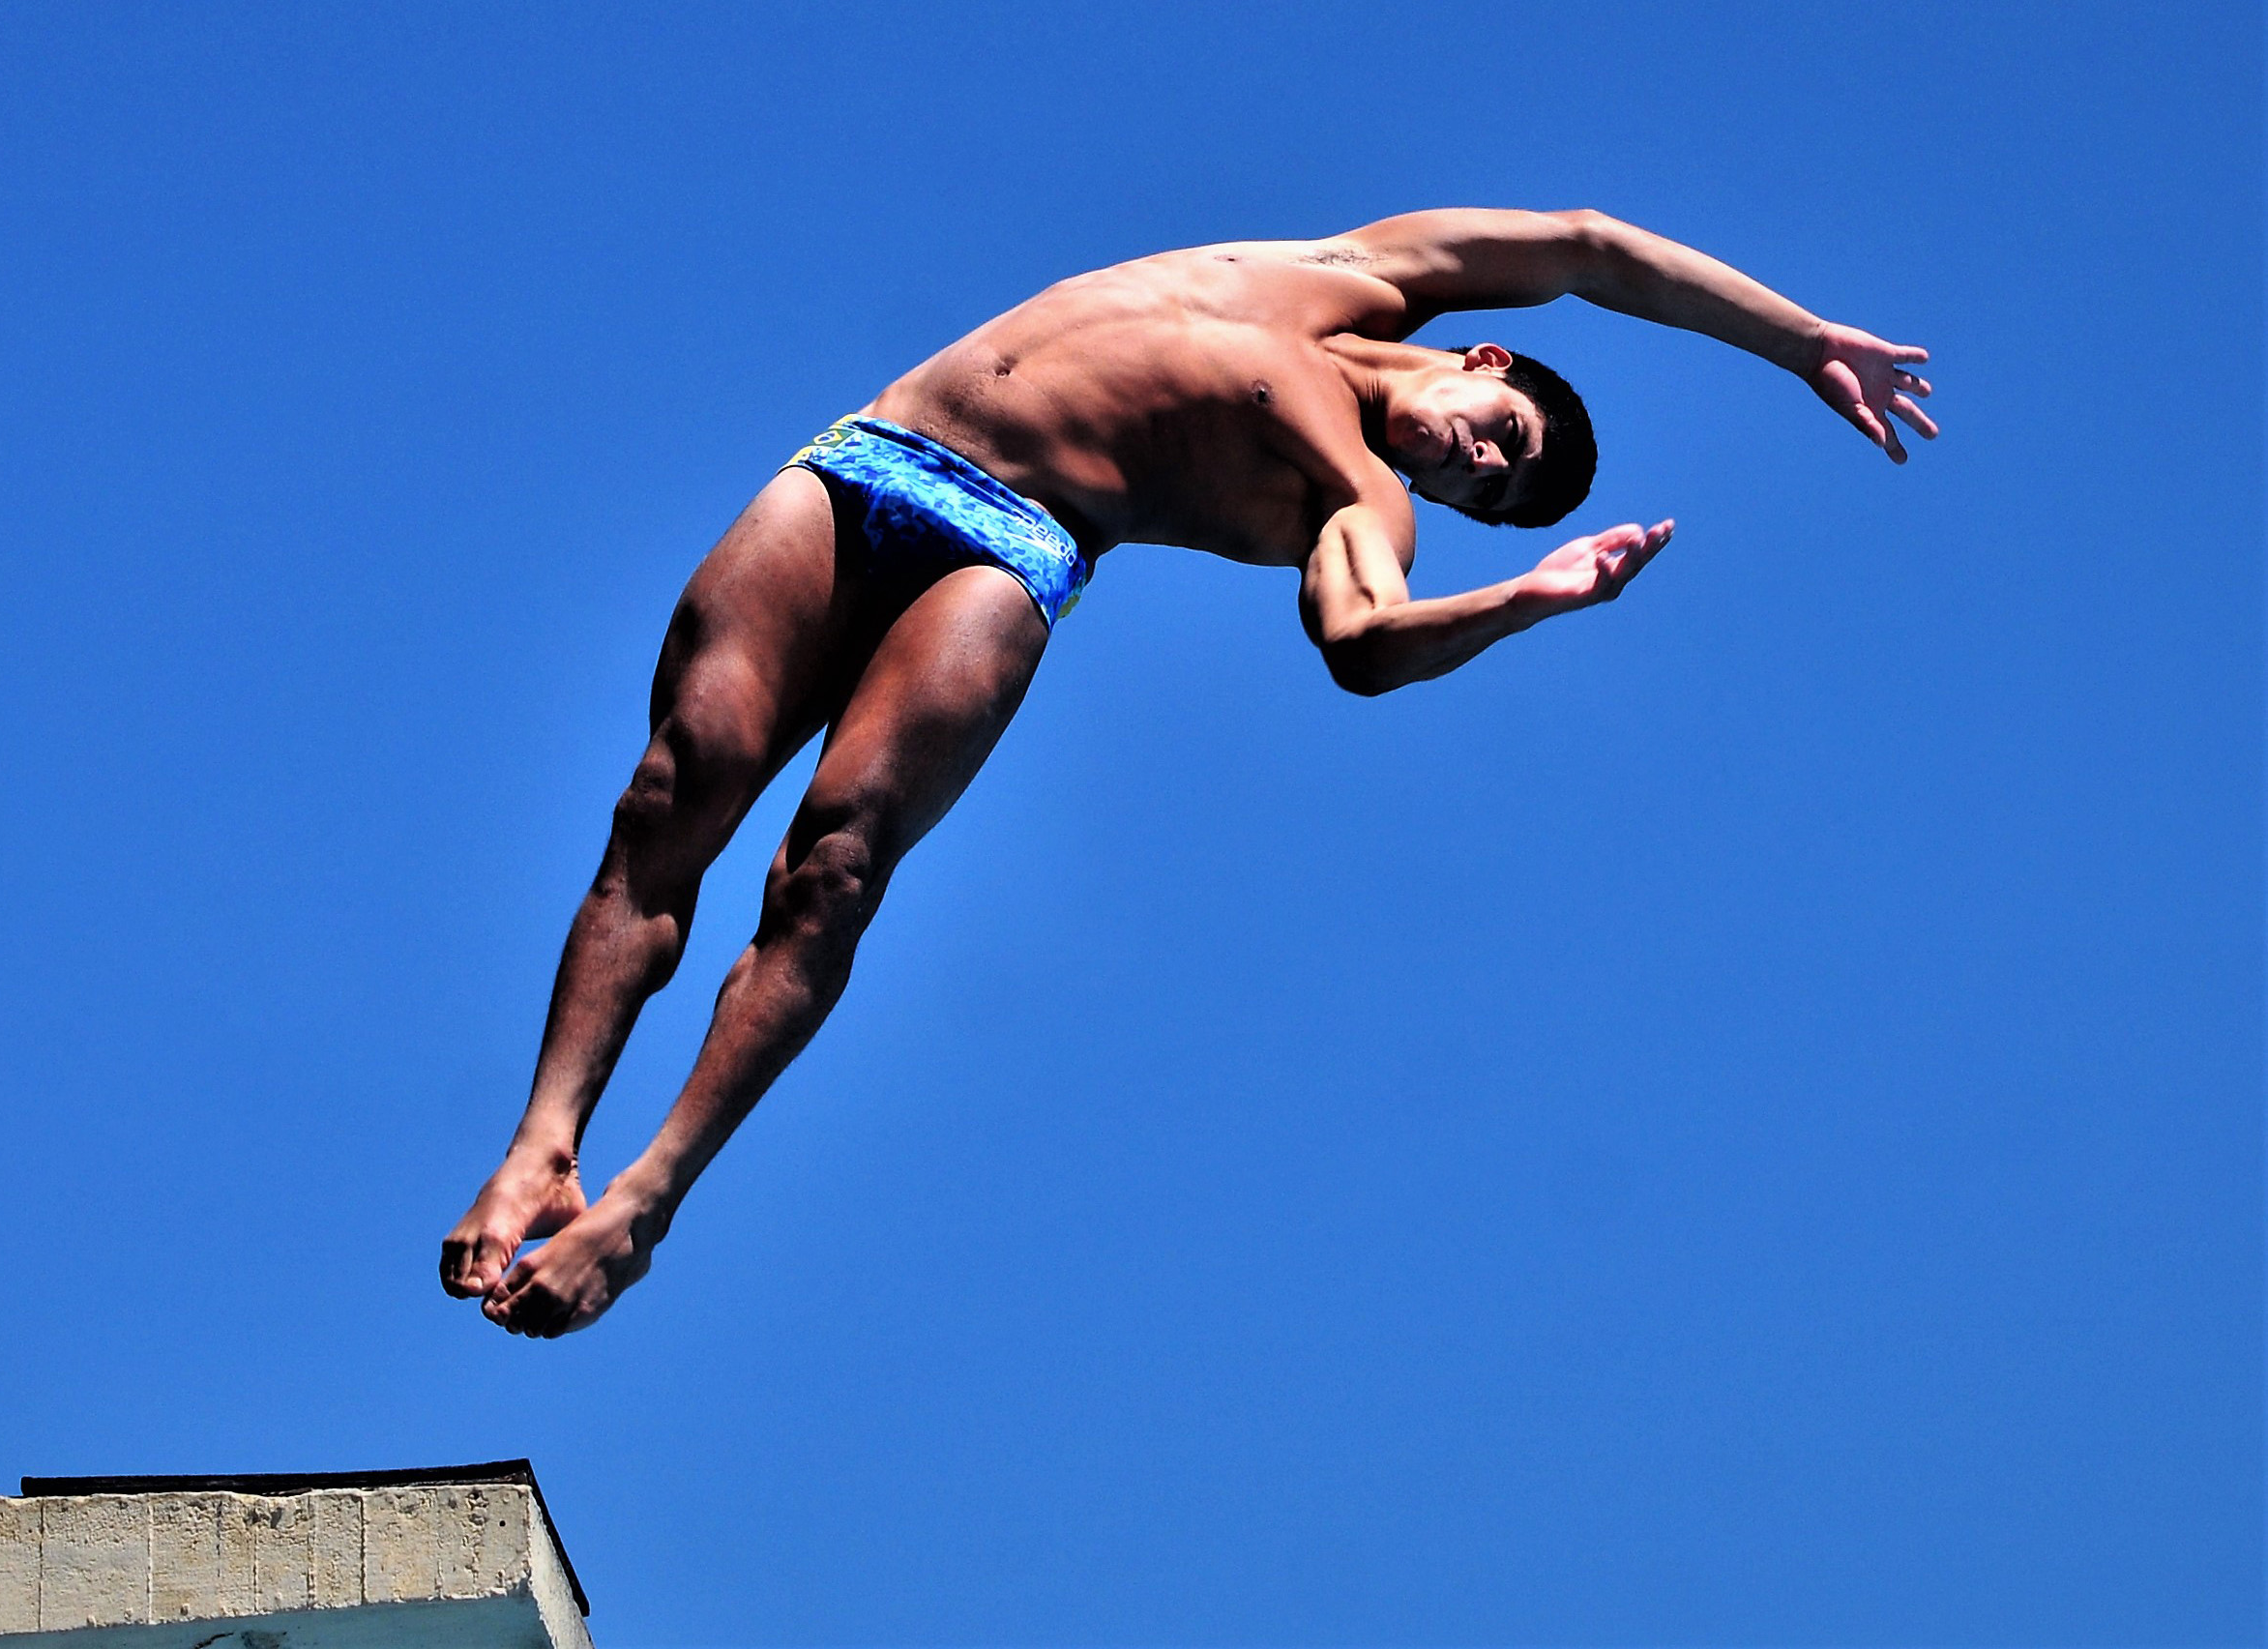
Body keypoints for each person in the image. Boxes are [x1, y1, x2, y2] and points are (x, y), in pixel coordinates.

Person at [439, 208, 1936, 1338]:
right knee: (671, 792)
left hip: (1007, 547)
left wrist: (1527, 594)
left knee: (830, 864)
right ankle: (540, 1145)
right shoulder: (1363, 270)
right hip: (880, 457)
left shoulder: (1352, 496)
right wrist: (1799, 339)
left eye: (1487, 493)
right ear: (1483, 357)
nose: (1475, 470)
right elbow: (1590, 247)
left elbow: (1362, 643)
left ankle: (640, 1201)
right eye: (1503, 438)